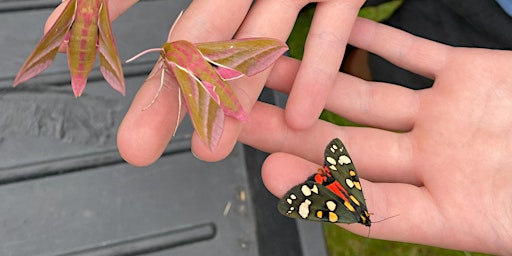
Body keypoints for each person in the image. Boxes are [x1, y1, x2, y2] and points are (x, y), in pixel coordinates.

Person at [48, 1, 512, 254]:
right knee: (394, 74)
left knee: (392, 86)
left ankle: (350, 65)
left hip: (490, 37)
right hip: (476, 16)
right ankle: (353, 64)